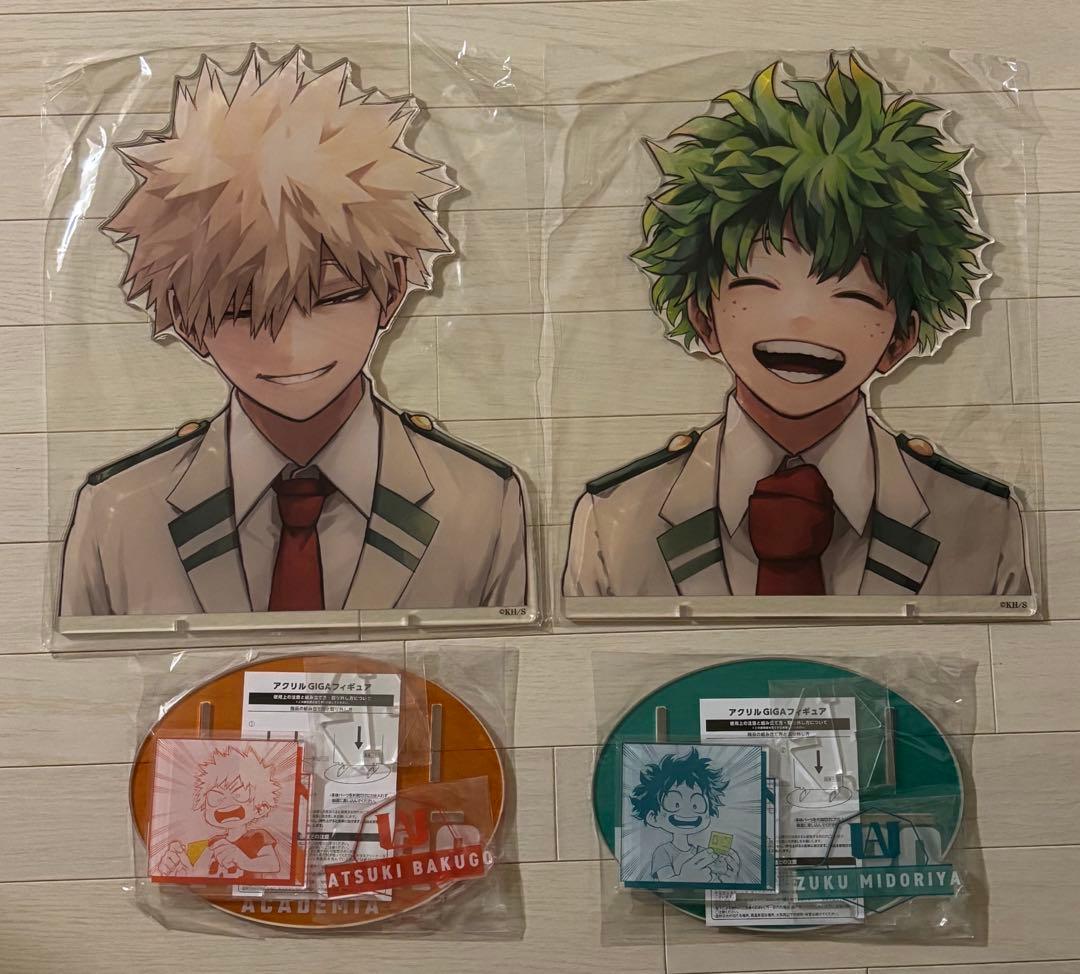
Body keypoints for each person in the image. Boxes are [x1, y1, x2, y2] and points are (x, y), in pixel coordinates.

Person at [60, 49, 528, 617]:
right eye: (240, 312)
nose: (292, 347)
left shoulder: (483, 501)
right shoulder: (117, 513)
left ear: (392, 290)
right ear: (187, 322)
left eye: (335, 297)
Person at [564, 56, 1030, 599]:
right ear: (702, 316)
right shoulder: (613, 518)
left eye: (853, 295)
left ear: (901, 338)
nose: (802, 319)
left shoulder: (983, 521)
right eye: (758, 285)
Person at [628, 748, 740, 884]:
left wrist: (727, 878)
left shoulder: (702, 852)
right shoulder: (663, 852)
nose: (687, 812)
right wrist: (685, 878)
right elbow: (665, 883)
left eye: (696, 805)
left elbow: (712, 879)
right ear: (653, 817)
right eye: (675, 804)